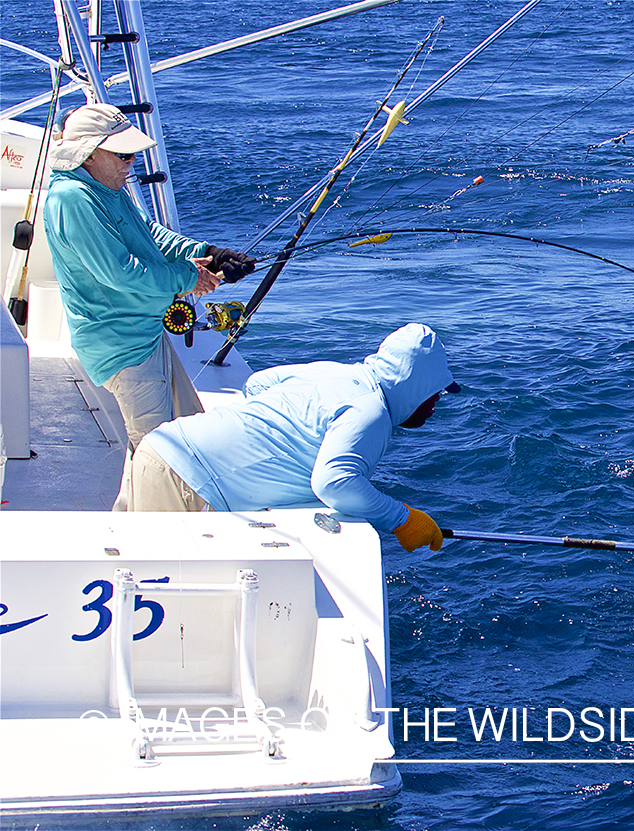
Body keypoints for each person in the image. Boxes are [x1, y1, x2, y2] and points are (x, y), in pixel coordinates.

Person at [42, 103, 255, 505]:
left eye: (132, 152)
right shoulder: (72, 199)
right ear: (89, 153)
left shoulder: (107, 189)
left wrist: (208, 252)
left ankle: (128, 523)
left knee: (186, 433)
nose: (131, 161)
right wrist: (190, 277)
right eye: (122, 153)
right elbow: (121, 273)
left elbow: (151, 237)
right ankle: (144, 539)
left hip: (145, 333)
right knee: (156, 453)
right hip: (120, 344)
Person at [124, 323, 460, 552]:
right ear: (416, 387)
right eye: (436, 393)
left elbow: (255, 385)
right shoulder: (371, 411)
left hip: (160, 447)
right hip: (185, 484)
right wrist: (403, 520)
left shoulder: (335, 372)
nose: (435, 404)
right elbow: (334, 483)